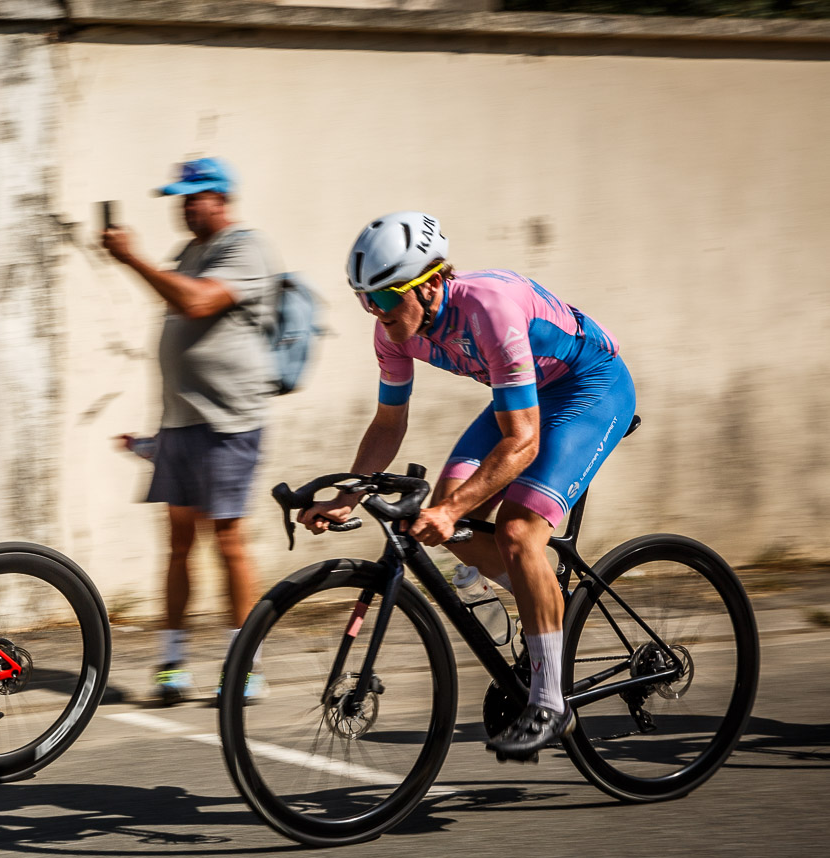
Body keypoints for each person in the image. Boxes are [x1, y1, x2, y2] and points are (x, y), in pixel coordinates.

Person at [301, 212, 636, 761]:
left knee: (517, 532)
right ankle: (540, 598)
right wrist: (347, 495)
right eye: (364, 299)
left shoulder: (489, 309)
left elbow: (523, 442)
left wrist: (454, 509)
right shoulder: (393, 333)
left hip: (589, 388)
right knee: (445, 516)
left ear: (430, 282)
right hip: (529, 392)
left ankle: (550, 703)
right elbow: (388, 423)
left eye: (384, 297)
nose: (376, 311)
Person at [102, 157, 280, 705]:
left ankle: (243, 667)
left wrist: (132, 257)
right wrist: (156, 437)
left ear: (221, 198)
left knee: (227, 540)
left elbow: (198, 301)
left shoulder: (246, 249)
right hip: (180, 424)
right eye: (180, 198)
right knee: (178, 543)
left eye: (194, 196)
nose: (184, 206)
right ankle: (172, 665)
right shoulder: (189, 254)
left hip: (227, 422)